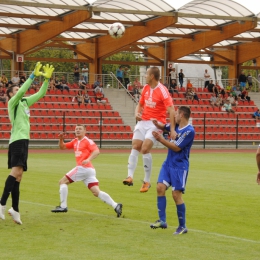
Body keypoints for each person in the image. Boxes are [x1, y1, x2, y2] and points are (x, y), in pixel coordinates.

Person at [0, 62, 54, 224]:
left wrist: (46, 80)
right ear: (10, 94)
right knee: (15, 173)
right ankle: (2, 204)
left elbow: (40, 94)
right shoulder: (12, 103)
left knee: (19, 176)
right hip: (17, 141)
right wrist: (32, 76)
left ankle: (15, 209)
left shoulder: (24, 102)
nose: (19, 91)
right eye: (15, 90)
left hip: (23, 141)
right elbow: (23, 90)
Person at [122, 67, 176, 193]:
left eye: (146, 74)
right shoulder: (146, 88)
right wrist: (136, 113)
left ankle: (147, 181)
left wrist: (172, 129)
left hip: (155, 123)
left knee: (145, 148)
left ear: (152, 76)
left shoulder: (163, 90)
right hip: (143, 121)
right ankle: (130, 176)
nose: (145, 76)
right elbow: (140, 104)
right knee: (135, 146)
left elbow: (172, 110)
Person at [51, 124, 123, 218]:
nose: (77, 130)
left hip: (83, 168)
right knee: (96, 192)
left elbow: (96, 151)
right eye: (76, 129)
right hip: (89, 171)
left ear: (85, 131)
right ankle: (116, 205)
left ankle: (63, 206)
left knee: (62, 182)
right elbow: (62, 147)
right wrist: (61, 139)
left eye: (80, 129)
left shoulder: (87, 141)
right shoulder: (75, 141)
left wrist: (88, 159)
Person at [149, 106, 195, 235]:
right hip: (168, 163)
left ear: (181, 115)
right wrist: (157, 124)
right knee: (159, 187)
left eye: (176, 114)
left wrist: (160, 139)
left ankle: (182, 226)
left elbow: (176, 148)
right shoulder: (175, 127)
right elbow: (165, 127)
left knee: (176, 195)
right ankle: (162, 220)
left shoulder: (189, 131)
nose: (174, 116)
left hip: (180, 166)